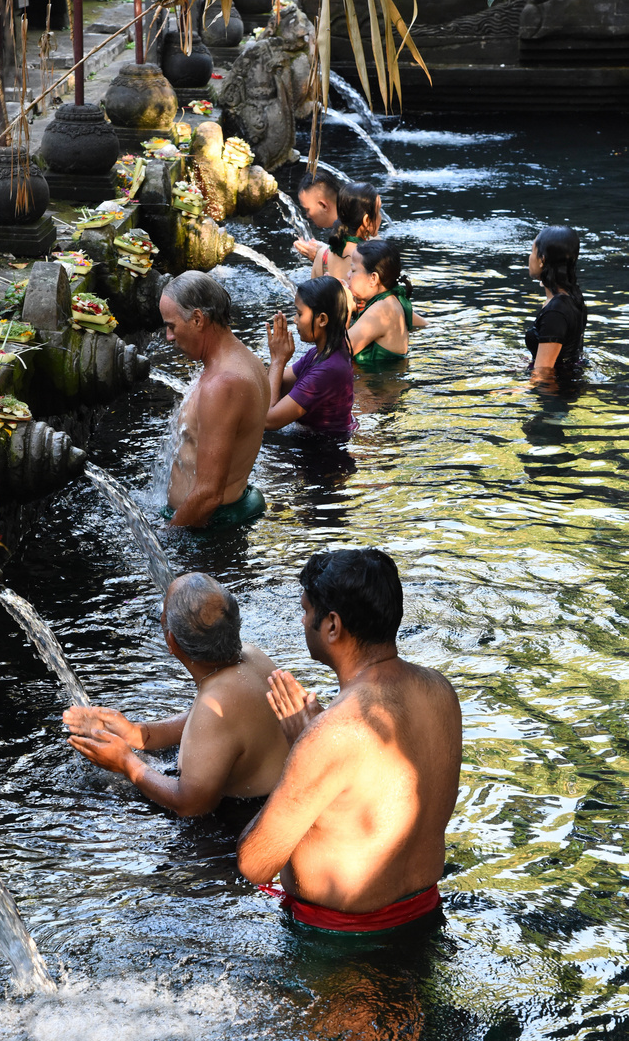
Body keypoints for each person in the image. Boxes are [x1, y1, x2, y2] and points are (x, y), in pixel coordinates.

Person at [237, 548, 462, 934]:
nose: (304, 620)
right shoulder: (441, 692)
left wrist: (300, 749)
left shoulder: (331, 734)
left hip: (339, 947)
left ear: (333, 625)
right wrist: (310, 740)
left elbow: (255, 864)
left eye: (307, 611)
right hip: (426, 920)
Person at [63, 572, 290, 817]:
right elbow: (226, 728)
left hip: (246, 818)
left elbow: (192, 804)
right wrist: (137, 733)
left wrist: (126, 762)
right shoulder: (250, 656)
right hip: (279, 797)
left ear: (171, 641)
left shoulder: (218, 703)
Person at [159, 271, 270, 528]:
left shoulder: (222, 384)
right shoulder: (246, 360)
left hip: (206, 528)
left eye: (172, 326)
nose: (169, 337)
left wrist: (166, 538)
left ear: (198, 319)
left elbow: (209, 494)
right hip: (211, 519)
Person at [264, 276, 355, 434]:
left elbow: (268, 420)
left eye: (300, 314)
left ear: (322, 319)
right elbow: (275, 386)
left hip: (321, 454)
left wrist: (278, 360)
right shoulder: (318, 354)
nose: (295, 320)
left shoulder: (329, 370)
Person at [347, 240, 427, 365]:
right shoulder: (395, 299)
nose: (348, 275)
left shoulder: (381, 310)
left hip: (372, 383)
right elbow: (425, 325)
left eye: (353, 270)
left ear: (373, 278)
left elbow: (335, 356)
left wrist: (344, 307)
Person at [526, 225, 587, 386]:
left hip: (556, 392)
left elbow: (544, 372)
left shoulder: (556, 312)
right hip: (568, 382)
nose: (530, 257)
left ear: (542, 260)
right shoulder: (574, 296)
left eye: (532, 251)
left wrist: (515, 391)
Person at [312, 182, 383, 281]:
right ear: (366, 220)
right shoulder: (372, 258)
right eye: (378, 210)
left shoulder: (322, 255)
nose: (381, 217)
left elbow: (310, 294)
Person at [293, 171, 342, 263]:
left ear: (323, 206)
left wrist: (321, 257)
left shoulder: (353, 232)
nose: (307, 216)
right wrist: (324, 249)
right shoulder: (352, 222)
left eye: (307, 210)